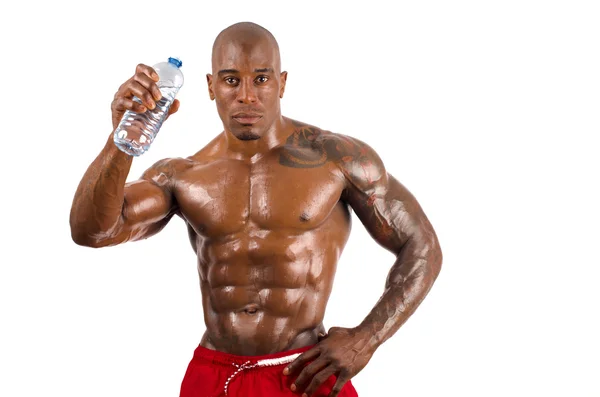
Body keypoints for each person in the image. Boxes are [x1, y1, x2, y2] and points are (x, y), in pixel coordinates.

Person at [69, 21, 443, 397]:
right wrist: (122, 140)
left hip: (306, 374)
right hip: (214, 375)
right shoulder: (181, 175)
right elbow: (92, 231)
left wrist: (366, 338)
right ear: (210, 86)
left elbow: (421, 245)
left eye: (261, 79)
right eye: (231, 81)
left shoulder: (336, 159)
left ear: (282, 82)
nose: (247, 96)